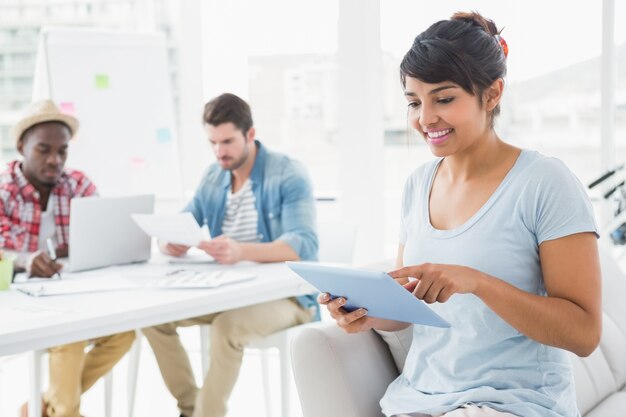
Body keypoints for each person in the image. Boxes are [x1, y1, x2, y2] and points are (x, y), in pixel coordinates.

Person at [320, 12, 601, 417]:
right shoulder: (418, 184)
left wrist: (477, 282)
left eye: (444, 98)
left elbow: (584, 334)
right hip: (419, 400)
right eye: (414, 102)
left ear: (492, 94)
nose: (425, 118)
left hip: (517, 403)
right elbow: (410, 305)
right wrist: (365, 313)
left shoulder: (545, 182)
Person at [143, 93, 318, 417]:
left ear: (250, 134)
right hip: (229, 292)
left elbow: (302, 244)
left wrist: (241, 251)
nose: (219, 152)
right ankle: (192, 408)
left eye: (227, 141)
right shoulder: (213, 176)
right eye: (212, 142)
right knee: (153, 319)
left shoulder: (288, 173)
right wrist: (172, 241)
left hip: (290, 299)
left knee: (227, 328)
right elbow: (182, 222)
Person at [0, 100, 135, 417]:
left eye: (62, 151)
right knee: (70, 338)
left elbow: (103, 230)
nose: (54, 160)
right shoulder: (4, 189)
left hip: (72, 296)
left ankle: (44, 407)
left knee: (124, 334)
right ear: (22, 146)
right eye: (43, 150)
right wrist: (24, 259)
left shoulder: (77, 184)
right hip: (20, 302)